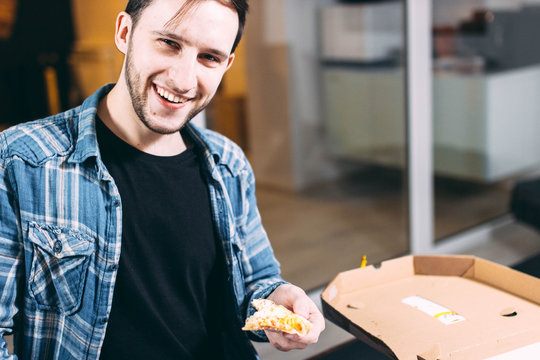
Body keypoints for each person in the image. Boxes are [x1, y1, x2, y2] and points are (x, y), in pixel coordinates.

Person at [0, 0, 325, 359]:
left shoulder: (228, 162)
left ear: (226, 65)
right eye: (169, 43)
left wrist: (277, 301)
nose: (184, 80)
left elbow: (256, 281)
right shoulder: (20, 162)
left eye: (209, 58)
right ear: (125, 33)